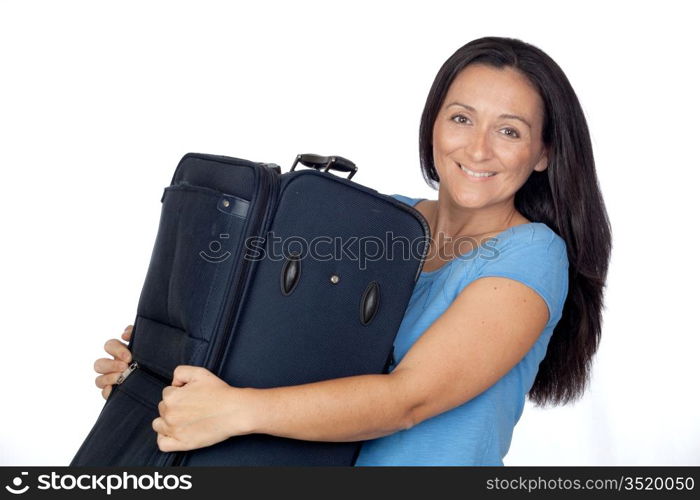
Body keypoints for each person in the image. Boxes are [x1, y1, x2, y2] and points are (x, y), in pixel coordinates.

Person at [93, 36, 611, 465]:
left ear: (543, 153)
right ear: (433, 124)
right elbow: (269, 347)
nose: (478, 149)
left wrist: (234, 411)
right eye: (460, 119)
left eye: (508, 130)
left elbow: (408, 400)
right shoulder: (385, 222)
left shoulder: (533, 255)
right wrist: (158, 375)